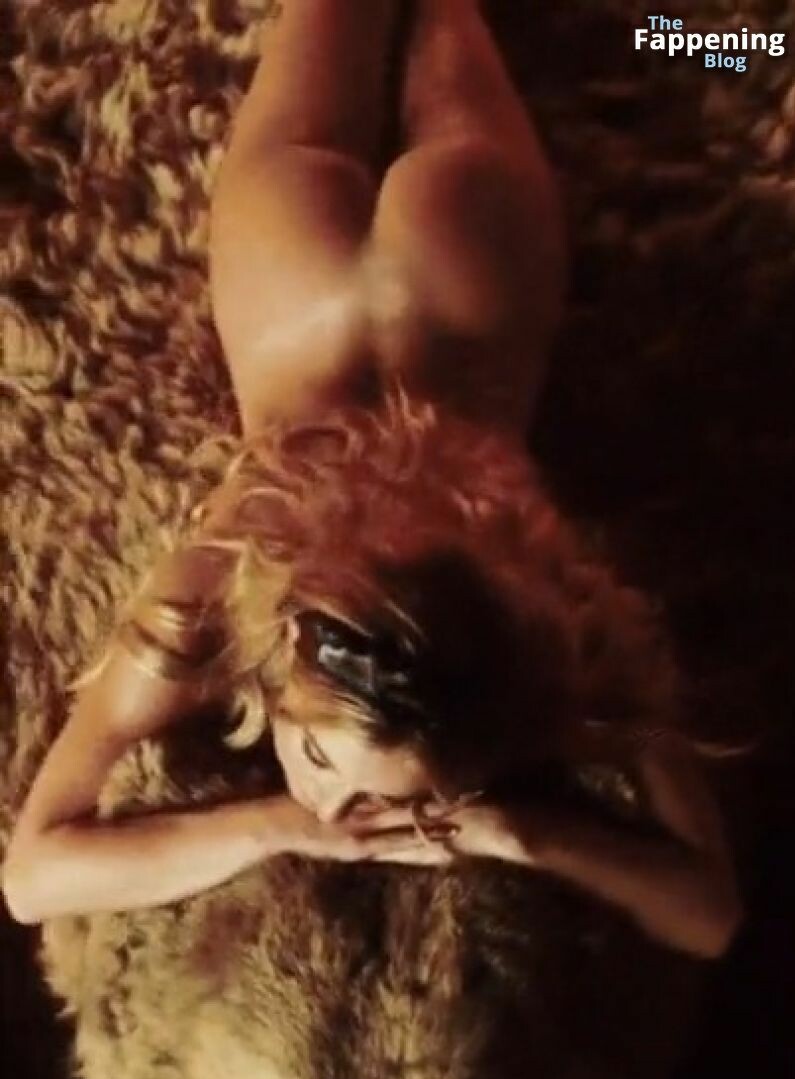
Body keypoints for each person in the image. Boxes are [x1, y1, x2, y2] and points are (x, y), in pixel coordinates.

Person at [2, 0, 742, 959]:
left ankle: (716, 36)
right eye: (320, 759)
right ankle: (714, 35)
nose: (331, 805)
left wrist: (297, 828)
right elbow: (29, 878)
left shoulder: (557, 614)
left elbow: (712, 916)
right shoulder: (209, 592)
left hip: (460, 267)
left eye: (326, 774)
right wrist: (514, 834)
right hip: (323, 270)